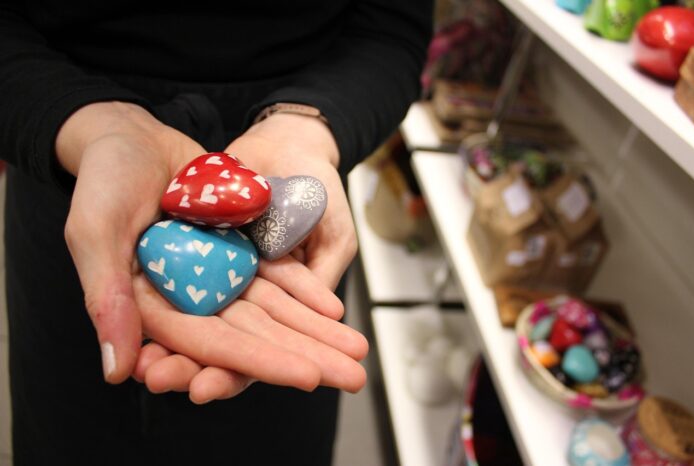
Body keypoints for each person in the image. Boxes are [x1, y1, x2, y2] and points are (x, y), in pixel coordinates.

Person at [0, 1, 433, 465]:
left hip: (293, 170)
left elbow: (391, 28)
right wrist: (83, 124)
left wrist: (311, 124)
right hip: (76, 154)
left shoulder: (272, 205)